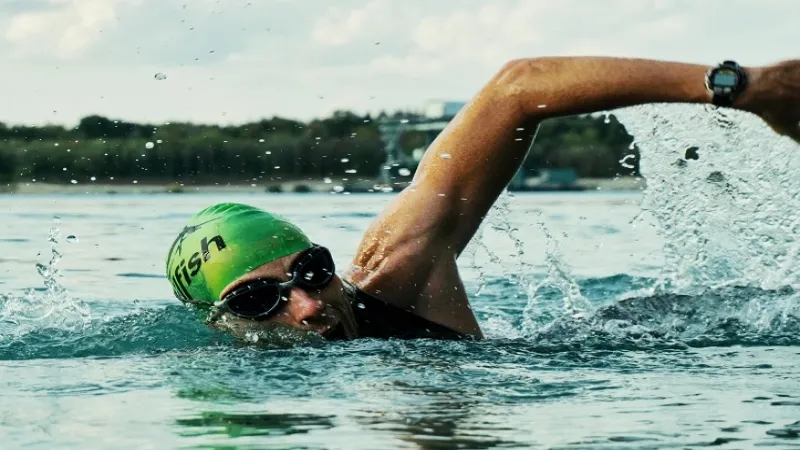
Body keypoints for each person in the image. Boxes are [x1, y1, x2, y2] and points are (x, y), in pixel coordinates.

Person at [165, 57, 800, 342]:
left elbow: (517, 89)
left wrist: (742, 87)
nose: (306, 305)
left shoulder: (395, 277)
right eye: (258, 300)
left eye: (311, 271)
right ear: (220, 325)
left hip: (668, 326)